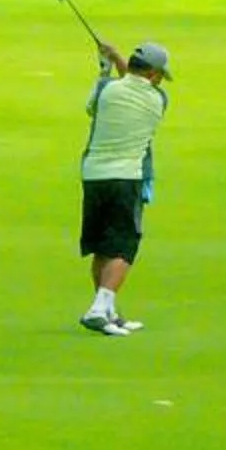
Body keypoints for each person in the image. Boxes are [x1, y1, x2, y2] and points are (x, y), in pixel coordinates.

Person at [76, 38, 170, 336]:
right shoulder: (158, 100)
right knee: (124, 246)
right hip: (126, 177)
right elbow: (132, 84)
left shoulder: (105, 91)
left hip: (93, 176)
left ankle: (107, 313)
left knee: (102, 247)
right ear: (154, 75)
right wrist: (117, 59)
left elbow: (96, 104)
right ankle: (97, 309)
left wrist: (107, 66)